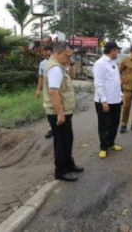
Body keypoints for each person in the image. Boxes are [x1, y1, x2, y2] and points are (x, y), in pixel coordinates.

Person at [43, 42, 83, 182]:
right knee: (61, 142)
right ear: (59, 53)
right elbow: (53, 92)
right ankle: (61, 171)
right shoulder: (55, 69)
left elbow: (71, 77)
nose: (70, 59)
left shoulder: (60, 65)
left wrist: (71, 63)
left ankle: (69, 164)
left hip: (64, 110)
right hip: (59, 112)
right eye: (68, 56)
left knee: (67, 140)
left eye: (72, 56)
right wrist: (60, 113)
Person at [94, 41, 123, 159]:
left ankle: (111, 143)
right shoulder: (100, 63)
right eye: (117, 50)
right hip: (105, 101)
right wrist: (103, 100)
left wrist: (120, 95)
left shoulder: (113, 63)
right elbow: (98, 83)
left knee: (114, 123)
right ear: (112, 50)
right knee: (104, 125)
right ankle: (103, 147)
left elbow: (115, 81)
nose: (118, 52)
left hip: (115, 100)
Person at [36, 46, 54, 139]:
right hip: (47, 91)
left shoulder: (58, 62)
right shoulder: (42, 64)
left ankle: (59, 127)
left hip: (58, 90)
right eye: (45, 55)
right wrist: (38, 90)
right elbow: (40, 77)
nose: (47, 57)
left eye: (49, 55)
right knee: (48, 109)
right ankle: (51, 128)